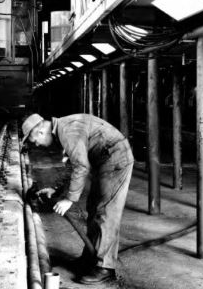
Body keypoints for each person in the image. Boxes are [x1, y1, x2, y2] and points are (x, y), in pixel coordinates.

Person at [21, 112, 133, 284]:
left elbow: (81, 166)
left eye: (34, 140)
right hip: (103, 161)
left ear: (41, 132)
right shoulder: (62, 132)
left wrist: (69, 200)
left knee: (106, 211)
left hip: (116, 159)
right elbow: (73, 166)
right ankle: (90, 257)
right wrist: (57, 190)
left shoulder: (67, 131)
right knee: (94, 208)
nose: (36, 145)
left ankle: (105, 267)